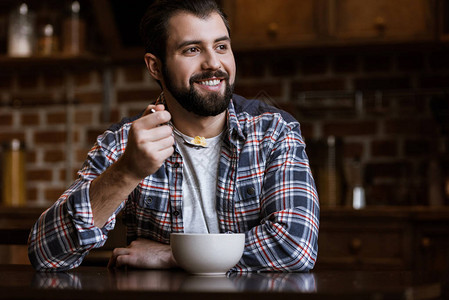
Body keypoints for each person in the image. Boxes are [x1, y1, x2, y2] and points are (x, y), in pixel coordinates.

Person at [28, 0, 319, 272]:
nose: (213, 64)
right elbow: (46, 254)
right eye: (192, 49)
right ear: (155, 66)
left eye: (221, 47)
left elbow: (296, 247)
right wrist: (127, 172)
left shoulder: (273, 132)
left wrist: (173, 255)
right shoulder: (125, 143)